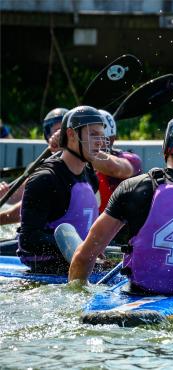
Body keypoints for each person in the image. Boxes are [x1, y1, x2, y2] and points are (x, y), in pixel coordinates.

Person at [69, 115, 173, 295]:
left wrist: (77, 293)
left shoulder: (131, 187)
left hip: (137, 293)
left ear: (164, 148)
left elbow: (84, 257)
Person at [17, 106, 108, 273]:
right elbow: (28, 241)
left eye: (102, 137)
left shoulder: (89, 175)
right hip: (49, 274)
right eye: (93, 135)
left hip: (83, 268)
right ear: (72, 135)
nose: (100, 143)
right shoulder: (45, 179)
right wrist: (80, 248)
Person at [0, 108, 68, 225]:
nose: (59, 135)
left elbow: (27, 208)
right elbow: (18, 197)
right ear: (48, 136)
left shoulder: (79, 165)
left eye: (63, 131)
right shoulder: (40, 167)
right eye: (56, 131)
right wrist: (5, 194)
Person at [95, 109, 142, 213]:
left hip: (118, 223)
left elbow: (112, 168)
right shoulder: (77, 159)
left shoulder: (130, 159)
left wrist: (80, 149)